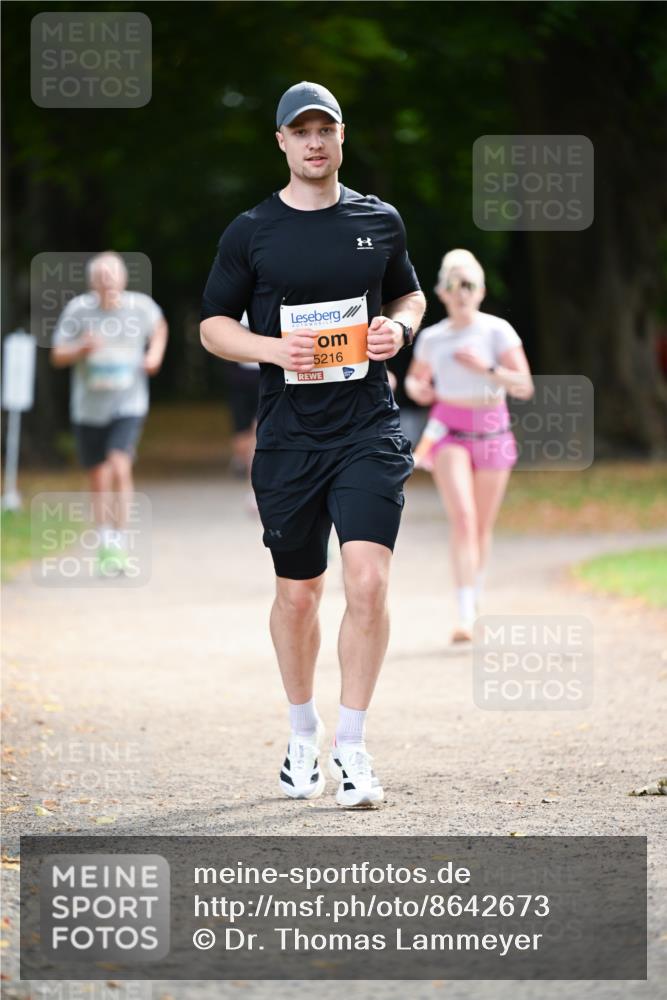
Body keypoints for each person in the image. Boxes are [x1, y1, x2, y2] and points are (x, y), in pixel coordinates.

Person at [201, 81, 425, 807]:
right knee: (298, 596)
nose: (313, 142)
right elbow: (212, 326)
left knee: (367, 582)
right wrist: (272, 349)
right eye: (300, 131)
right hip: (290, 438)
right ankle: (303, 736)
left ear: (340, 136)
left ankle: (351, 748)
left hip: (366, 424)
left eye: (323, 128)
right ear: (281, 143)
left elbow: (407, 294)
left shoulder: (377, 219)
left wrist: (402, 327)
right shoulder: (251, 229)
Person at [405, 249, 533, 643]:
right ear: (441, 292)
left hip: (493, 431)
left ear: (480, 291)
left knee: (480, 524)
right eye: (453, 285)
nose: (461, 293)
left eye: (469, 285)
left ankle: (475, 597)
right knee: (462, 517)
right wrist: (419, 388)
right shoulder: (432, 337)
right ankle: (463, 613)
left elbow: (524, 387)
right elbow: (414, 380)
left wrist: (487, 369)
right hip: (448, 432)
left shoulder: (497, 332)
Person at [51, 251, 168, 574]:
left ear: (123, 278)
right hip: (89, 409)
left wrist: (154, 354)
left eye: (113, 275)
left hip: (128, 404)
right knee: (99, 476)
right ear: (92, 282)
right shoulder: (79, 311)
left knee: (120, 464)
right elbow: (58, 354)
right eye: (101, 277)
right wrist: (81, 348)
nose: (108, 282)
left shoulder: (139, 307)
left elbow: (159, 327)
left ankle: (120, 540)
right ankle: (105, 542)